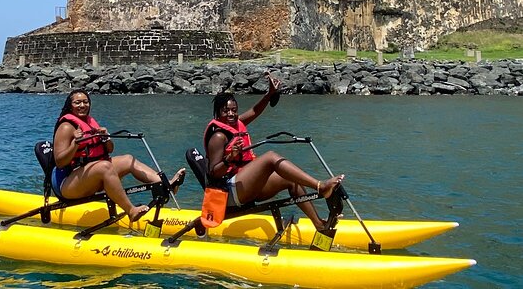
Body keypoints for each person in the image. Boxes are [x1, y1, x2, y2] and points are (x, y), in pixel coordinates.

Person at [204, 73, 345, 230]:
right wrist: (229, 158)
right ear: (218, 113)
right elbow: (213, 173)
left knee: (292, 178)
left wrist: (270, 94)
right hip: (228, 193)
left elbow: (255, 111)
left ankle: (319, 224)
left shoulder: (235, 124)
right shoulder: (217, 136)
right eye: (226, 111)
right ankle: (320, 186)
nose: (231, 114)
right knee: (270, 157)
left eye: (234, 110)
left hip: (247, 186)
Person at [52, 89, 185, 222]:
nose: (82, 105)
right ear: (70, 105)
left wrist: (105, 138)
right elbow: (60, 162)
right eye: (77, 102)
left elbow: (109, 150)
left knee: (128, 159)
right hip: (69, 184)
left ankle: (167, 186)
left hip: (92, 175)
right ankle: (131, 211)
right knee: (105, 166)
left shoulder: (89, 122)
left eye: (85, 102)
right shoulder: (66, 127)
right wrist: (75, 143)